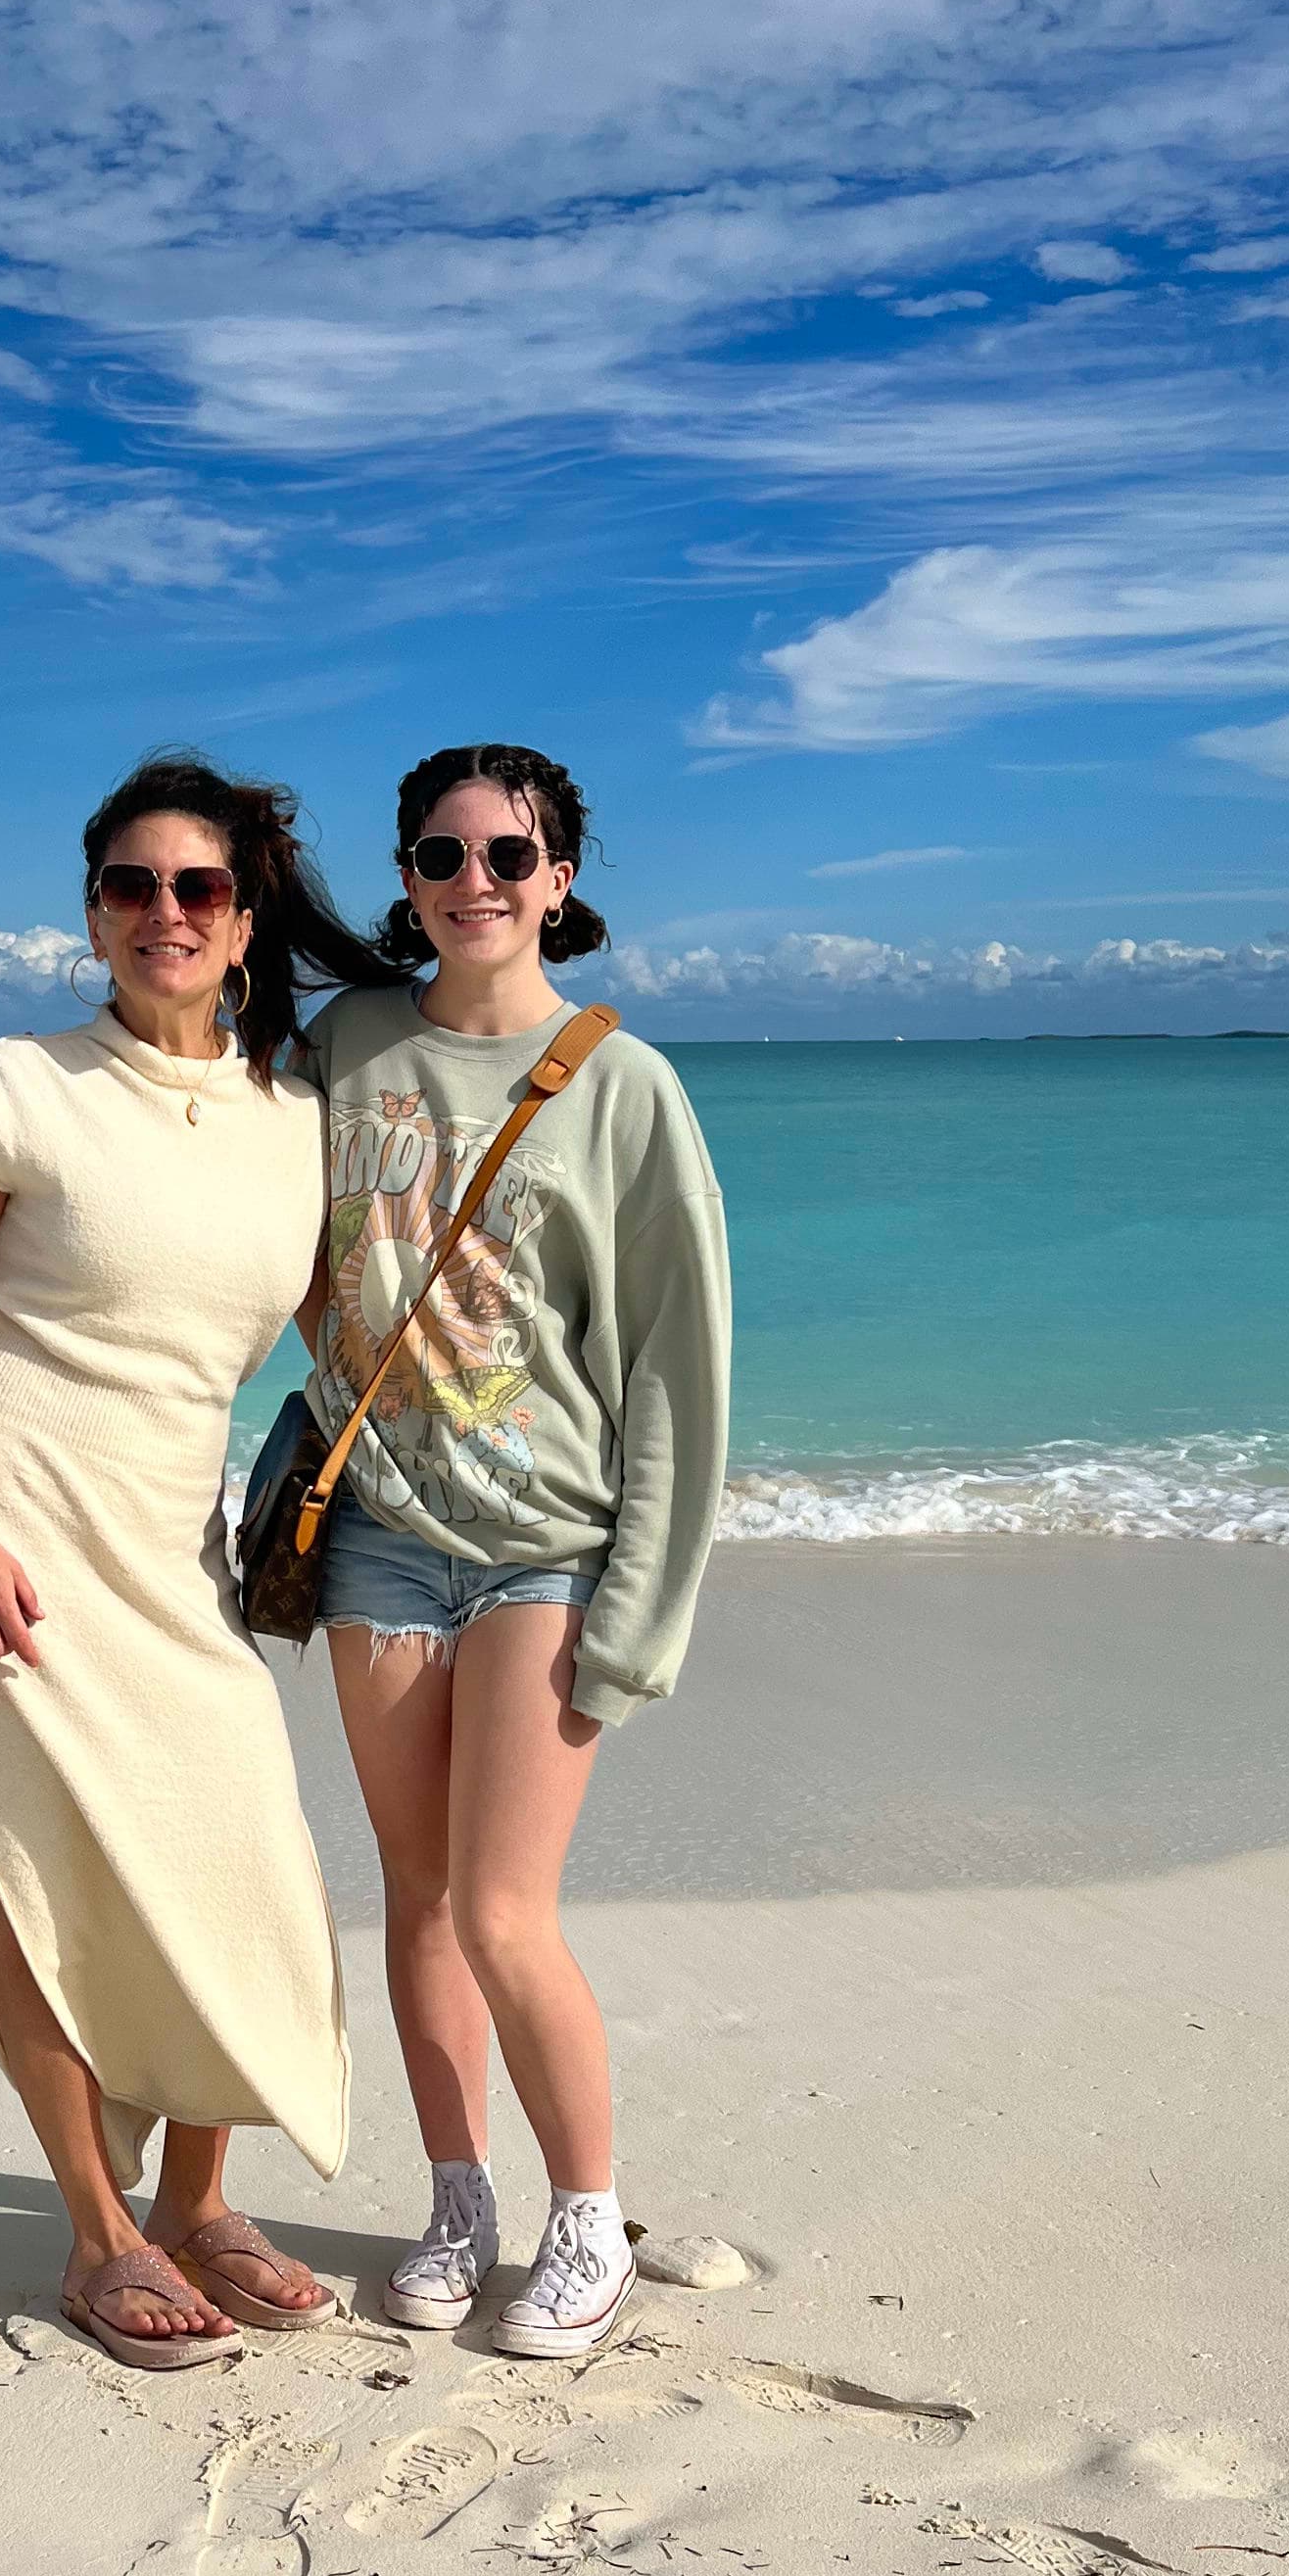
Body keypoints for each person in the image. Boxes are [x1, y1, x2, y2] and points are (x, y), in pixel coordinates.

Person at [0, 753, 389, 2368]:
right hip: (10, 1536)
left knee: (239, 1859)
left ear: (243, 922)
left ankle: (199, 2204)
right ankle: (101, 2236)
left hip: (176, 1555)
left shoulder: (297, 1125)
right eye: (132, 885)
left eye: (199, 887)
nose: (165, 910)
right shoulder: (14, 1088)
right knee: (50, 1885)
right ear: (93, 913)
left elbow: (360, 1335)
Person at [297, 742, 730, 2359]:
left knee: (499, 1910)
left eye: (506, 854)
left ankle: (588, 2220)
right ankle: (458, 2200)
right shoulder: (344, 1047)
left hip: (547, 1548)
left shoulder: (623, 1085)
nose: (472, 881)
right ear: (406, 880)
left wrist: (643, 1614)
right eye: (439, 854)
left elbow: (680, 1364)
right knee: (415, 1899)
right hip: (378, 1541)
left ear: (560, 878)